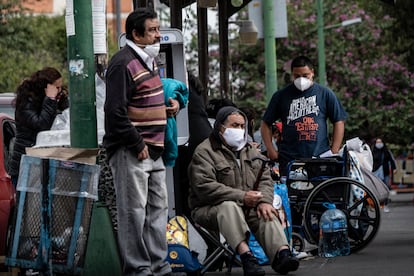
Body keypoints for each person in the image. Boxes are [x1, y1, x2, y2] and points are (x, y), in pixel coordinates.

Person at [103, 8, 178, 276]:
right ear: (136, 34)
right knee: (133, 214)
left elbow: (145, 98)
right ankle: (138, 270)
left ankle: (160, 267)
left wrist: (169, 106)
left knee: (157, 213)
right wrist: (137, 143)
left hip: (154, 151)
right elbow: (114, 112)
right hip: (132, 151)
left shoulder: (149, 61)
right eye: (153, 30)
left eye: (158, 29)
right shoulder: (123, 62)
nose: (158, 35)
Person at [188, 106, 299, 275]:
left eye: (242, 126)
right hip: (209, 209)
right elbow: (205, 187)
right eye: (234, 125)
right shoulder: (204, 152)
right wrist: (242, 196)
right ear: (220, 127)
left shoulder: (250, 150)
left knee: (266, 210)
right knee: (229, 206)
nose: (239, 130)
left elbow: (265, 179)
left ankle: (282, 254)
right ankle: (246, 257)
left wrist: (263, 201)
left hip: (246, 206)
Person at [261, 55, 347, 175]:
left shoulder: (325, 94)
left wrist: (334, 150)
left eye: (305, 75)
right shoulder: (281, 96)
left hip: (320, 158)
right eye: (297, 76)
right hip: (289, 160)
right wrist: (271, 149)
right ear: (292, 74)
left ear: (312, 73)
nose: (301, 79)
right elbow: (266, 123)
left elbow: (338, 121)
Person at [9, 67, 69, 186]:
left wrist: (60, 99)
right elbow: (42, 125)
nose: (59, 90)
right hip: (26, 162)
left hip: (46, 161)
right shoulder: (26, 102)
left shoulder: (52, 100)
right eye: (56, 88)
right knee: (27, 203)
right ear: (46, 88)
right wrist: (50, 99)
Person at [372, 138, 397, 212]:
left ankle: (386, 205)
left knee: (386, 188)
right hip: (376, 173)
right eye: (377, 142)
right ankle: (378, 204)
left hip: (385, 172)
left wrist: (394, 168)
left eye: (380, 142)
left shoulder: (386, 151)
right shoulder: (373, 151)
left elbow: (391, 160)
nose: (379, 144)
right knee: (377, 189)